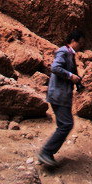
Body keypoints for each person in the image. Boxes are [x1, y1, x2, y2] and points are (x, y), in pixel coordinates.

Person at [38, 28, 85, 167]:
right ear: (73, 41)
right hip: (58, 94)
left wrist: (77, 82)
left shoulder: (70, 54)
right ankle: (46, 153)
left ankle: (46, 154)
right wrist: (71, 76)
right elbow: (55, 68)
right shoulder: (63, 51)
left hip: (61, 95)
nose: (81, 46)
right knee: (66, 124)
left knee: (63, 125)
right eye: (80, 43)